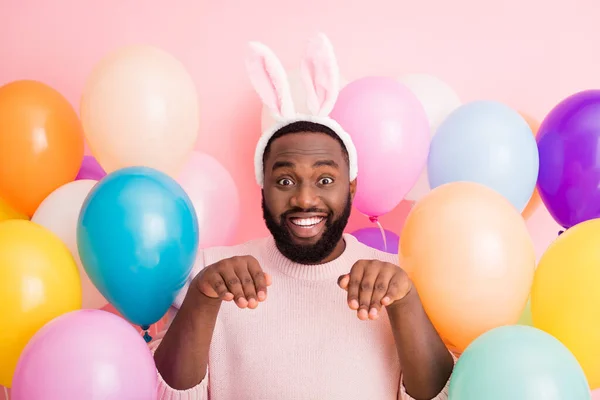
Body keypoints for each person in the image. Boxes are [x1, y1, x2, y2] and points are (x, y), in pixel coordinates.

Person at [151, 33, 456, 400]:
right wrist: (202, 297)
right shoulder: (212, 275)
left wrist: (405, 303)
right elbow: (165, 395)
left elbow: (445, 396)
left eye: (325, 179)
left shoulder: (397, 281)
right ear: (263, 189)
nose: (305, 197)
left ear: (352, 188)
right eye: (284, 180)